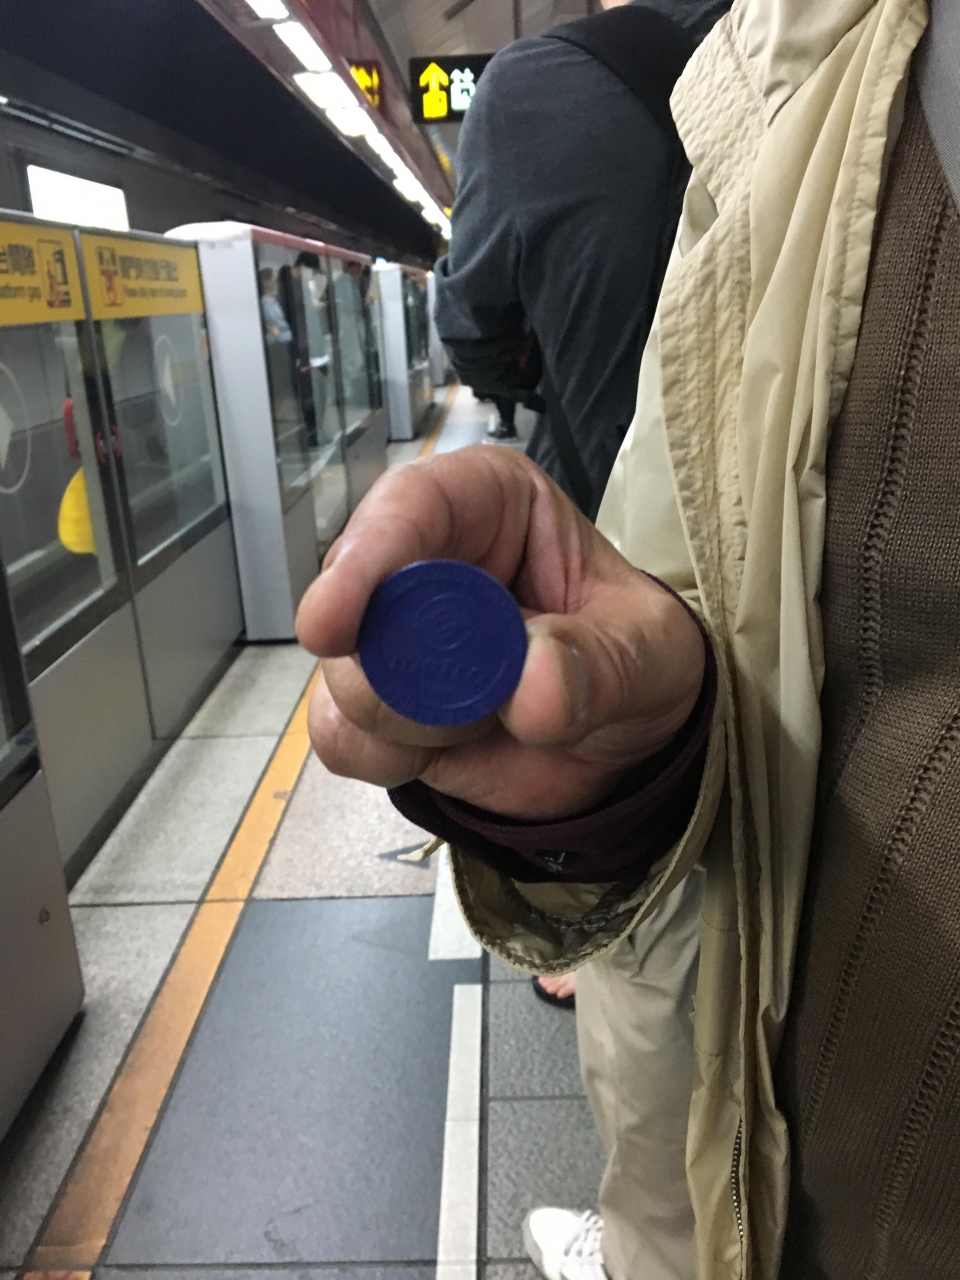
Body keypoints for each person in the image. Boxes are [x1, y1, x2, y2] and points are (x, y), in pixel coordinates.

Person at [297, 0, 957, 1277]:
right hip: (854, 1110)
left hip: (606, 524)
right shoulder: (805, 61)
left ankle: (641, 1228)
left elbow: (473, 326)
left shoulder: (595, 83)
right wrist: (651, 764)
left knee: (660, 981)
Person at [434, 0, 730, 517]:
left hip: (605, 510)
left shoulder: (530, 84)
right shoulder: (853, 53)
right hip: (803, 515)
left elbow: (472, 338)